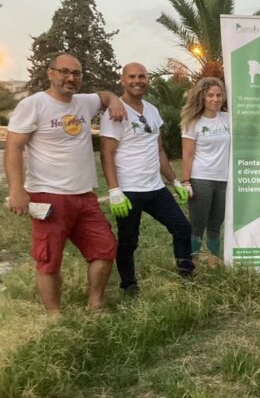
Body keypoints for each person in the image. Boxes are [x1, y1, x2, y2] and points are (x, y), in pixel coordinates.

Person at [4, 53, 125, 312]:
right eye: (64, 72)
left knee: (105, 250)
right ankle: (55, 317)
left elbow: (103, 95)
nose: (71, 78)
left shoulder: (84, 102)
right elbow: (13, 147)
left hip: (84, 196)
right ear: (50, 73)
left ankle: (95, 305)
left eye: (77, 73)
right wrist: (16, 189)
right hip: (48, 196)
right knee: (49, 260)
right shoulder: (34, 104)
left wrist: (114, 100)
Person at [99, 62, 193, 295]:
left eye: (142, 76)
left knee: (182, 227)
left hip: (155, 188)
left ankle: (186, 274)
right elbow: (107, 154)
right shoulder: (116, 111)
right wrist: (114, 191)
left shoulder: (152, 110)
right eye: (132, 76)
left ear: (147, 80)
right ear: (123, 80)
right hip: (128, 190)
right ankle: (129, 285)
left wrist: (175, 181)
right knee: (129, 241)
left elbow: (159, 149)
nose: (137, 81)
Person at [180, 77, 231, 266]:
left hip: (223, 180)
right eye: (210, 95)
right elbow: (187, 154)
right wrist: (186, 182)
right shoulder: (193, 122)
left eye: (219, 95)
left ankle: (213, 260)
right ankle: (190, 260)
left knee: (216, 224)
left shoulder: (228, 118)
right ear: (202, 96)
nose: (215, 99)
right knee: (197, 224)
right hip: (201, 178)